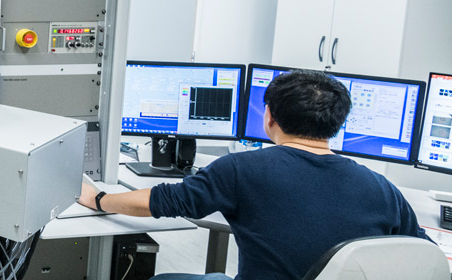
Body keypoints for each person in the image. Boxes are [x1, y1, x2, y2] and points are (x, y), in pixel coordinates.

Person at [79, 70, 431, 280]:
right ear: (336, 125)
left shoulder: (244, 169)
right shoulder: (382, 188)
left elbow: (161, 201)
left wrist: (97, 199)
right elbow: (423, 256)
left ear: (270, 119)